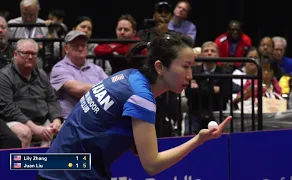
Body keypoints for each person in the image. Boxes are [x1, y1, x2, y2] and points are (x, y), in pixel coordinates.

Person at [37, 32, 232, 180]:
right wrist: (199, 139)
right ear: (160, 67)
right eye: (185, 66)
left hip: (55, 168)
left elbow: (122, 136)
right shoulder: (140, 97)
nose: (190, 75)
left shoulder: (128, 76)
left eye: (192, 67)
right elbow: (152, 165)